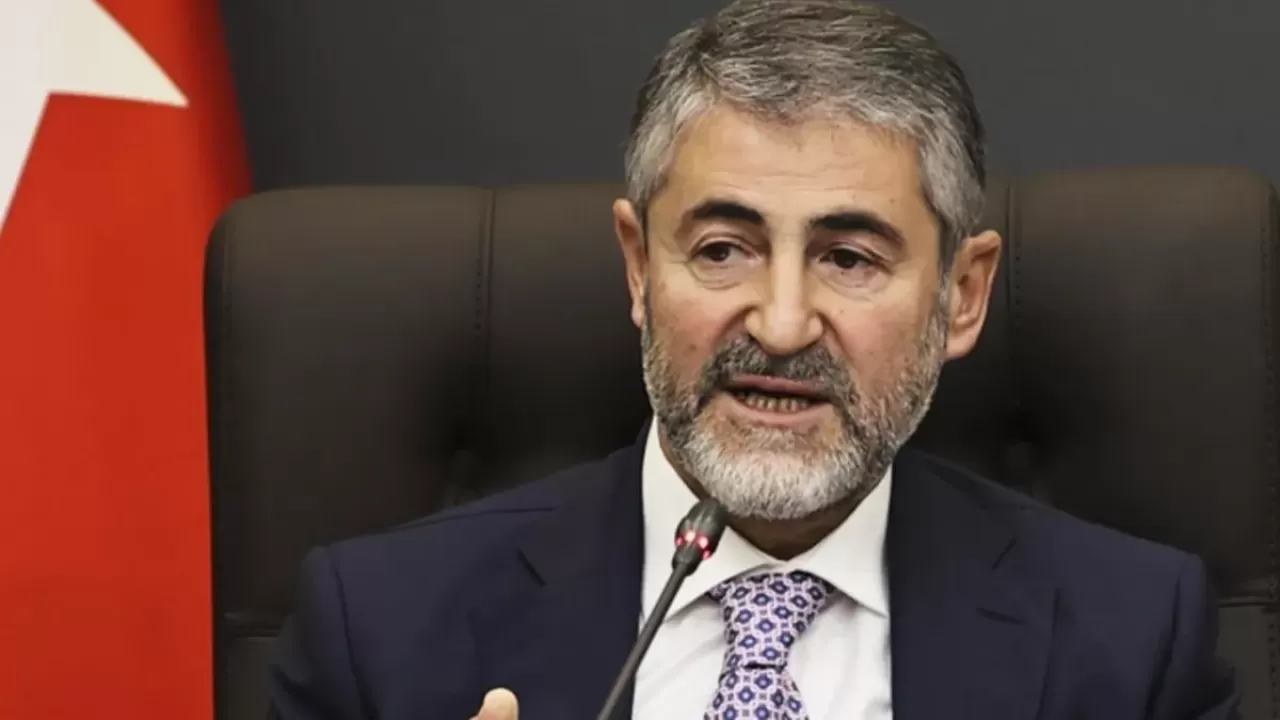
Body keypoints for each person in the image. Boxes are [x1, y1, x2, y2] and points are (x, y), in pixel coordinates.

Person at [267, 1, 1240, 718]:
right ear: (638, 267)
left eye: (848, 258)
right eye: (723, 249)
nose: (779, 326)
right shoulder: (378, 632)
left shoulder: (1132, 644)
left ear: (962, 295)